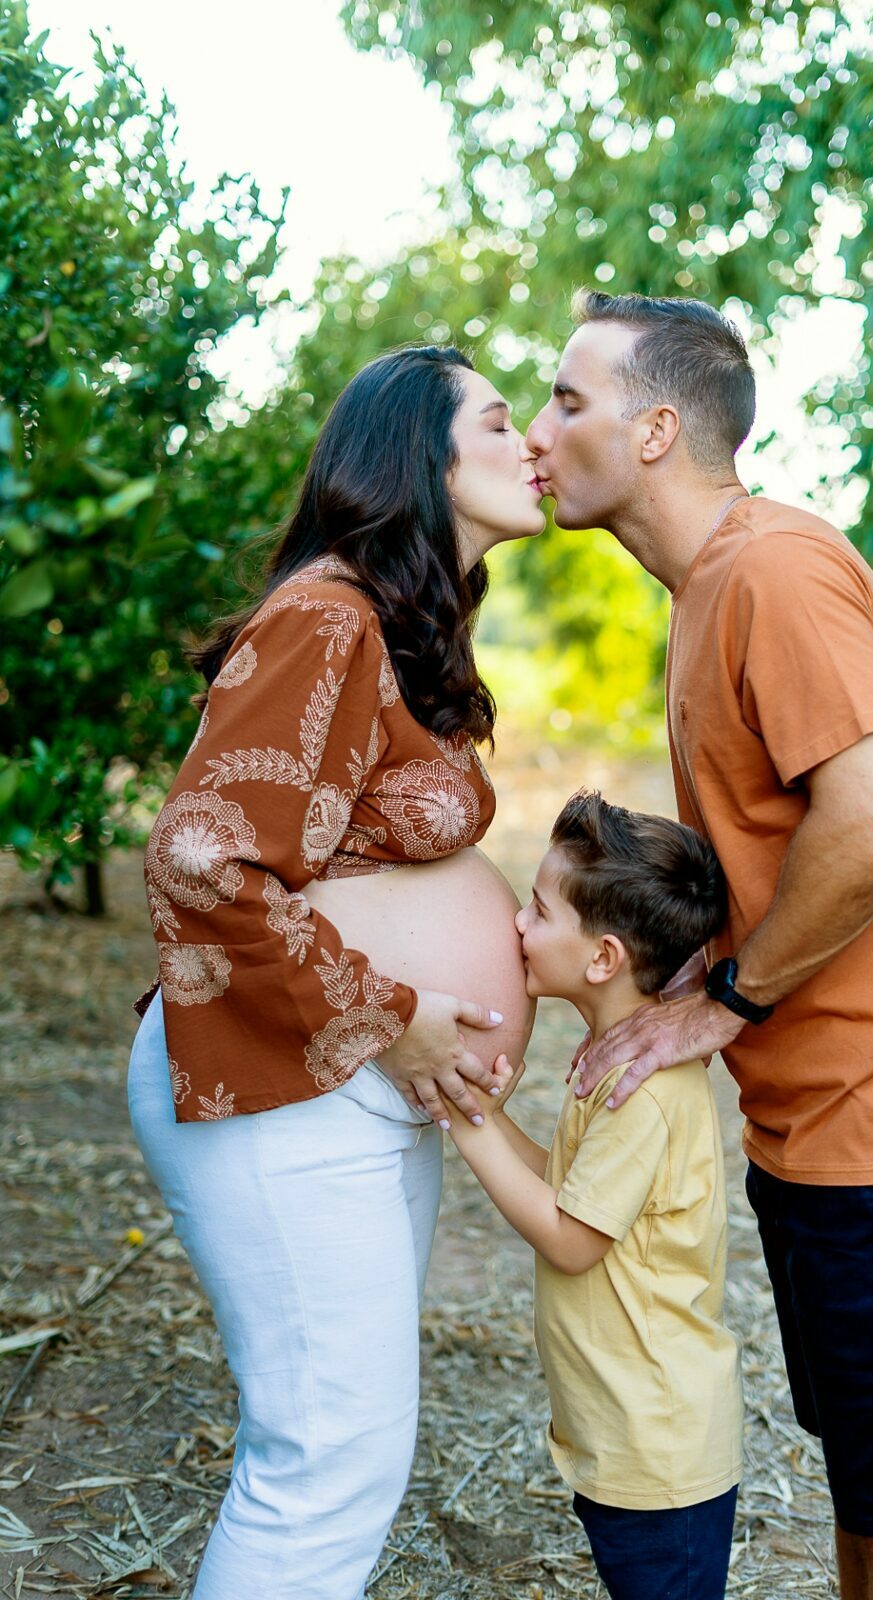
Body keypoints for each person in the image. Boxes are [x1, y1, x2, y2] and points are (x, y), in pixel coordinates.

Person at [524, 291, 873, 1600]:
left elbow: (872, 826)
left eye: (566, 400)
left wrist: (725, 1003)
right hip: (824, 1124)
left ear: (654, 429)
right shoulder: (706, 590)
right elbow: (783, 842)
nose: (537, 429)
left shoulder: (770, 572)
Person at [127, 344, 545, 1599]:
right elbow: (200, 859)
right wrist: (392, 1017)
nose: (529, 442)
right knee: (324, 1462)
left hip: (343, 1088)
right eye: (498, 420)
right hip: (287, 1078)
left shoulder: (386, 623)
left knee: (341, 1450)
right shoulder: (328, 615)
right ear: (419, 455)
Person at [442, 790, 743, 1600]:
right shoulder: (616, 1056)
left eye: (538, 911)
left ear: (603, 958)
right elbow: (570, 1192)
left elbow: (572, 1239)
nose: (517, 925)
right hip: (623, 1433)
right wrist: (486, 1116)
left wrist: (467, 1126)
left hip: (657, 1451)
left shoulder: (643, 1092)